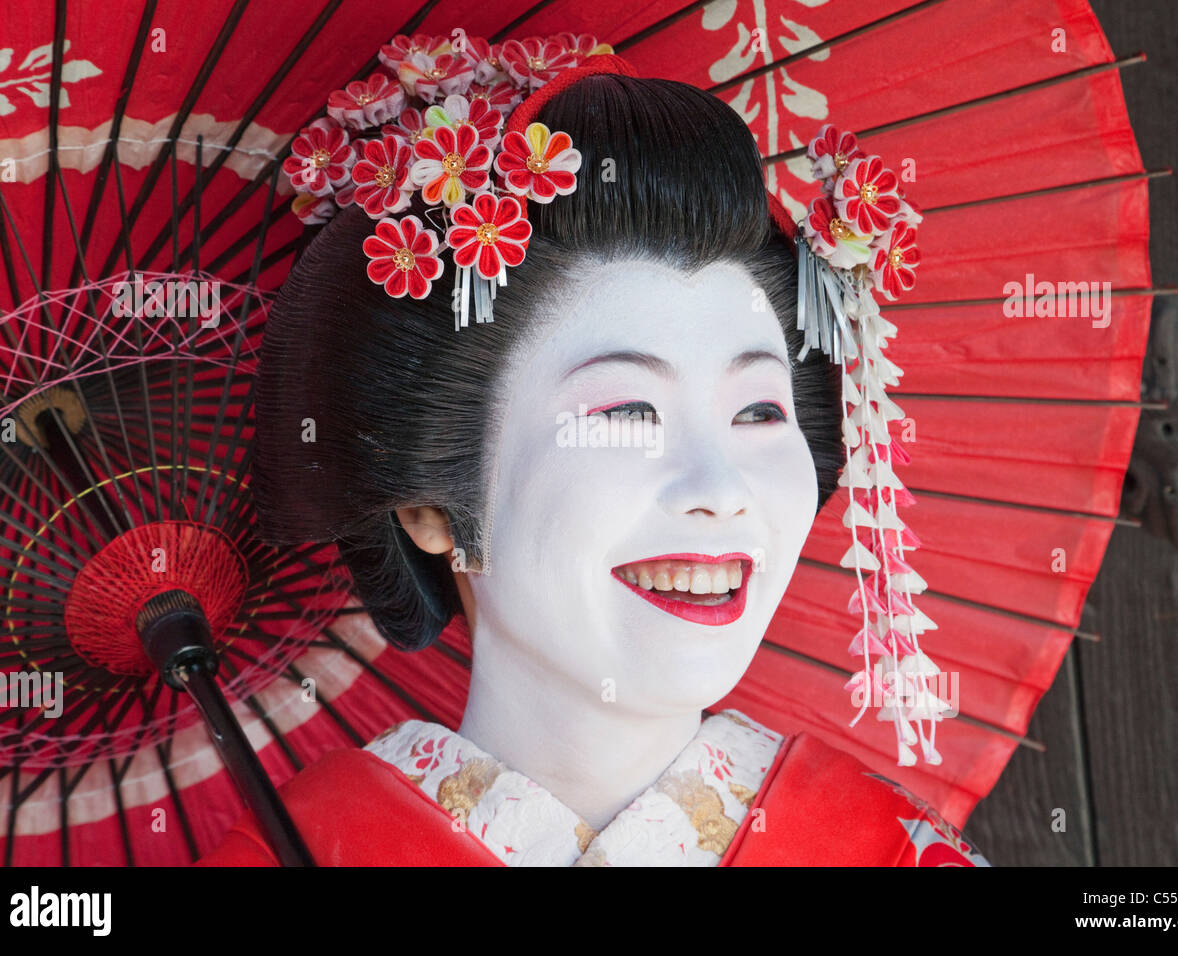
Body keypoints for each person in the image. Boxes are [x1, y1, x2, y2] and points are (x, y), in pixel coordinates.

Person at [198, 55, 988, 867]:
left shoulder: (886, 852)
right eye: (626, 414)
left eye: (759, 410)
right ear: (432, 508)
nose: (719, 490)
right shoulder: (302, 853)